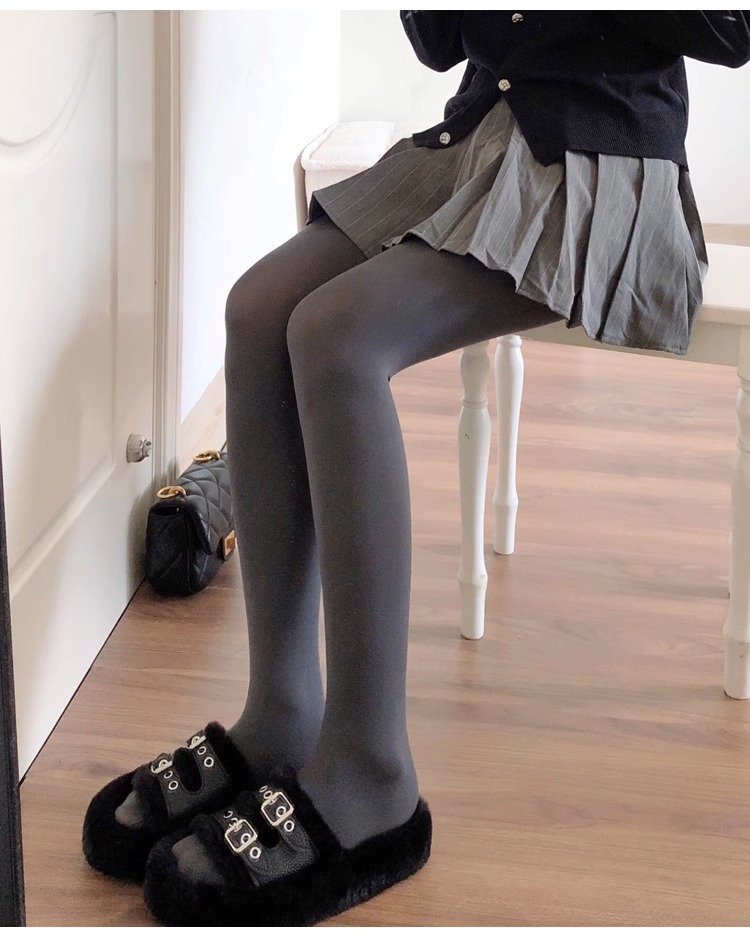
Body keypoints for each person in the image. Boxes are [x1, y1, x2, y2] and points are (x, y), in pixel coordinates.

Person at [82, 11, 750, 926]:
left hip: (601, 166)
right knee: (258, 308)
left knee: (338, 338)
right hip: (477, 145)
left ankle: (371, 771)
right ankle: (278, 713)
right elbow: (441, 43)